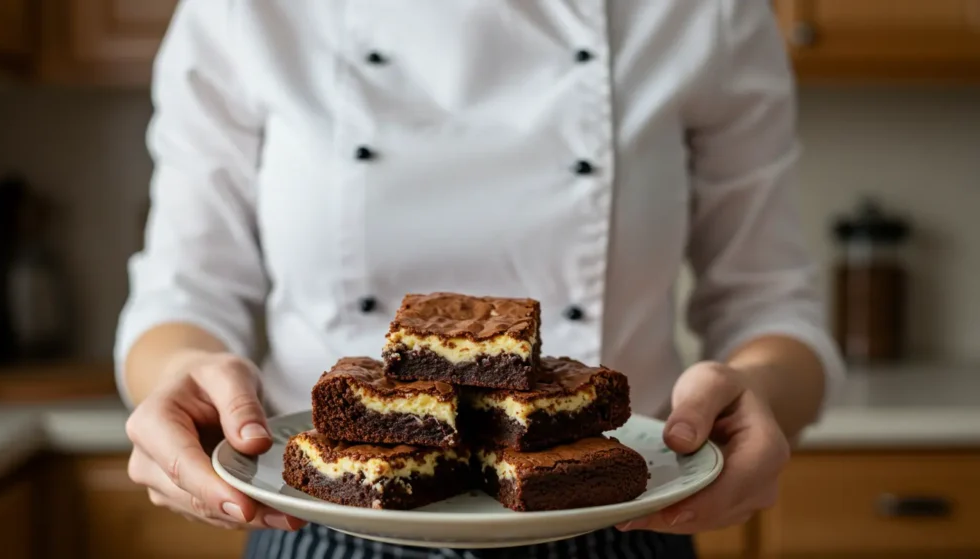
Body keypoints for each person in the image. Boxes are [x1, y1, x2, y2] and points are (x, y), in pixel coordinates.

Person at [115, 1, 845, 557]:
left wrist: (765, 393)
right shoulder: (240, 12)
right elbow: (184, 293)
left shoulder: (707, 12)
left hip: (626, 521)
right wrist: (182, 376)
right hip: (319, 528)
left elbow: (770, 301)